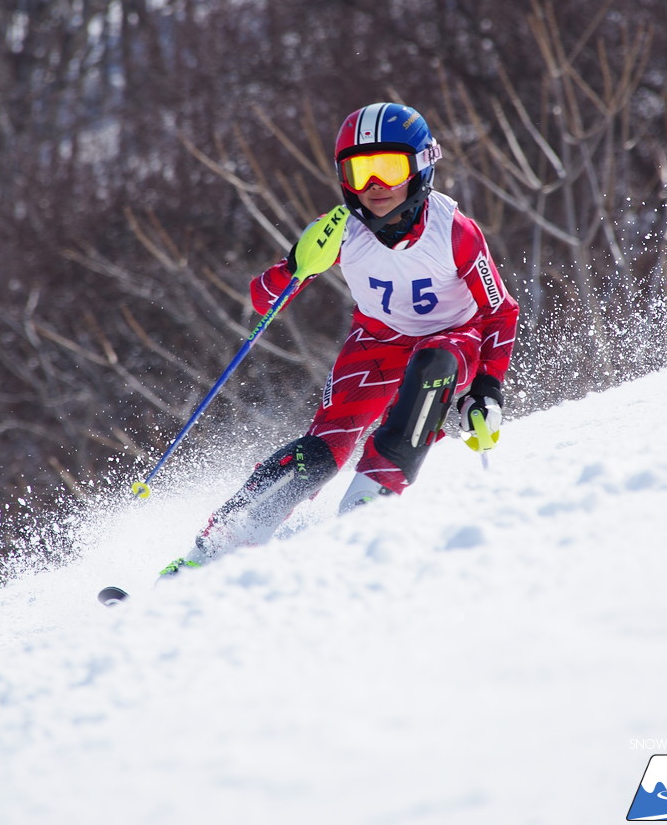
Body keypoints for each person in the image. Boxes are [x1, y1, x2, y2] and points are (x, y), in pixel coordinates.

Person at [161, 102, 519, 574]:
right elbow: (263, 298)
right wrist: (297, 263)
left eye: (389, 169)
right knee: (321, 450)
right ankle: (215, 548)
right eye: (359, 171)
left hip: (455, 336)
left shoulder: (454, 232)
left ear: (421, 166)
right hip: (376, 343)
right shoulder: (341, 230)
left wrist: (486, 389)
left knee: (434, 362)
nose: (374, 187)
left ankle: (369, 501)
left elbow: (500, 311)